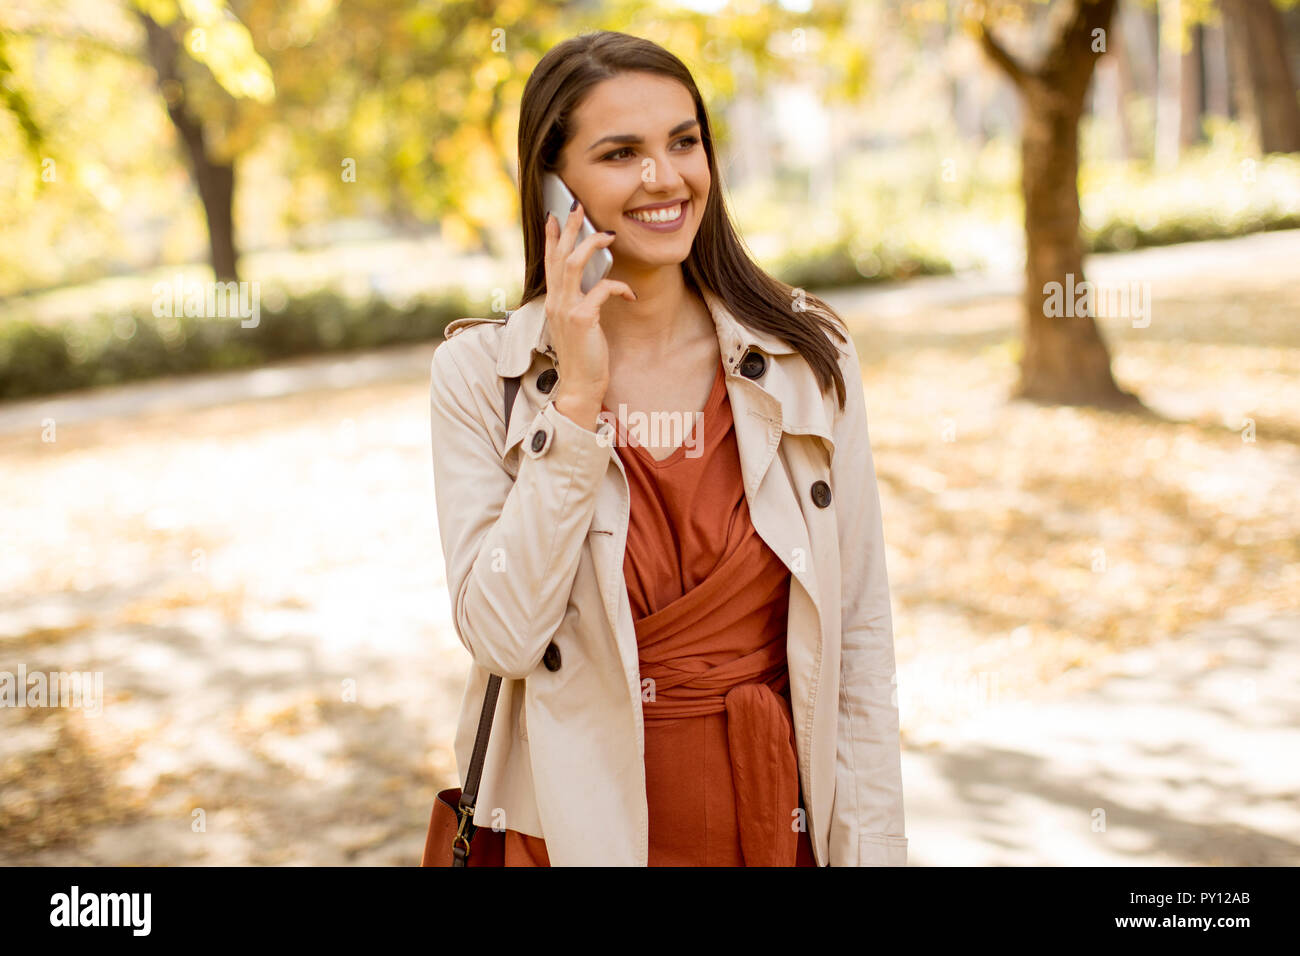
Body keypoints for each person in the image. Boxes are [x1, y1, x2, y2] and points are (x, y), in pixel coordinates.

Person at [428, 29, 907, 866]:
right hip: (575, 829)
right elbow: (502, 635)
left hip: (774, 817)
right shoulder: (481, 375)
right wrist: (574, 405)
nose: (664, 178)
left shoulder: (807, 357)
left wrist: (871, 852)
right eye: (620, 153)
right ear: (552, 183)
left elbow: (859, 635)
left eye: (683, 142)